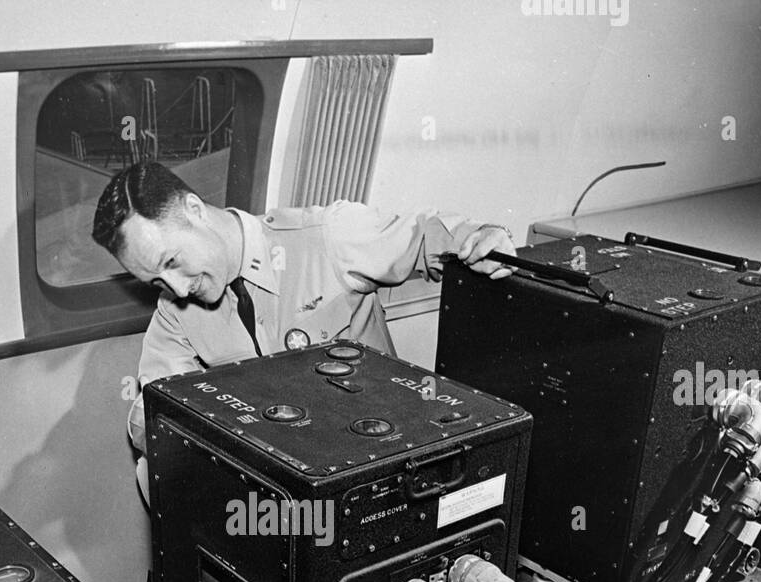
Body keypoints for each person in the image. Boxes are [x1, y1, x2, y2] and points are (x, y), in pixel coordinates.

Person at [90, 160, 519, 496]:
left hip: (378, 465)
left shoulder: (327, 237)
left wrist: (482, 236)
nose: (179, 288)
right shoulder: (175, 312)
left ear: (195, 211)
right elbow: (152, 414)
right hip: (286, 482)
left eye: (171, 261)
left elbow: (425, 236)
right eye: (157, 281)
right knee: (153, 474)